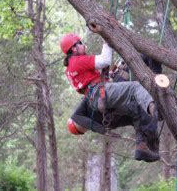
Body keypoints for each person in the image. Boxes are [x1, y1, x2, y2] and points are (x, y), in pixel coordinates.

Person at [61, 33, 160, 162]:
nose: (82, 44)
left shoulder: (71, 67)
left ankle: (141, 146)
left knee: (136, 109)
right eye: (79, 43)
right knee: (134, 88)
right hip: (99, 93)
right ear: (73, 48)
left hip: (97, 95)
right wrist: (106, 41)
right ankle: (155, 108)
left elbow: (94, 76)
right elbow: (104, 60)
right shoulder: (76, 61)